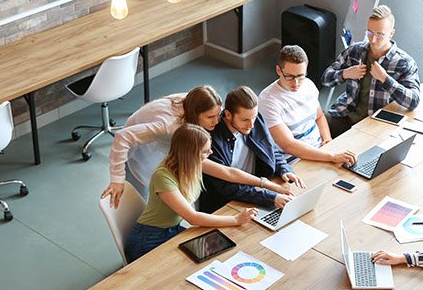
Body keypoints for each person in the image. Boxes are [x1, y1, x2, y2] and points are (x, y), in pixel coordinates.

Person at [101, 85, 291, 207]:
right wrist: (116, 179)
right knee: (143, 198)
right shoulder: (169, 125)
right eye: (210, 117)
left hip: (174, 138)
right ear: (196, 114)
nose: (217, 122)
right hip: (140, 143)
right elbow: (123, 137)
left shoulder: (200, 110)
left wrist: (265, 185)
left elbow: (226, 172)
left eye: (218, 115)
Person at [123, 123, 258, 263]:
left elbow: (229, 173)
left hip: (172, 230)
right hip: (148, 239)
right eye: (206, 151)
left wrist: (266, 184)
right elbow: (193, 218)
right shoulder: (163, 176)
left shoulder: (192, 162)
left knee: (216, 251)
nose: (210, 153)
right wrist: (236, 220)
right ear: (190, 153)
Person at [198, 86, 305, 214]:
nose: (252, 125)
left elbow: (271, 149)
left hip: (256, 192)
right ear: (228, 114)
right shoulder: (210, 141)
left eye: (253, 117)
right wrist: (270, 197)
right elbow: (227, 187)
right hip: (228, 204)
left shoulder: (254, 118)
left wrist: (284, 169)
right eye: (245, 120)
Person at [321, 5, 420, 137]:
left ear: (391, 33)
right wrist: (346, 73)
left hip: (376, 125)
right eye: (369, 33)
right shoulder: (355, 51)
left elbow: (413, 101)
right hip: (346, 115)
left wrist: (385, 79)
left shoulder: (404, 63)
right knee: (315, 126)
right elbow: (325, 79)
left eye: (380, 34)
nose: (373, 39)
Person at [258, 45, 356, 166]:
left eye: (300, 76)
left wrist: (327, 140)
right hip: (295, 161)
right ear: (278, 70)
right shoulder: (268, 101)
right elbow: (288, 145)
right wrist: (331, 156)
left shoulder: (308, 85)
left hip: (321, 151)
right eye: (289, 76)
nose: (296, 83)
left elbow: (319, 116)